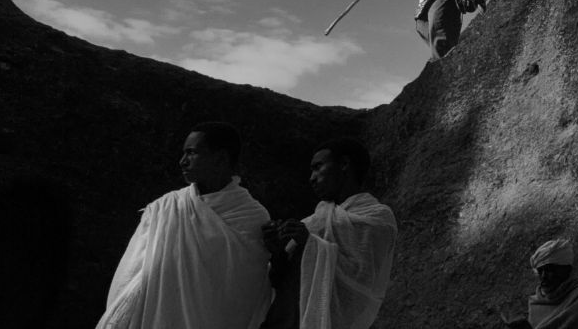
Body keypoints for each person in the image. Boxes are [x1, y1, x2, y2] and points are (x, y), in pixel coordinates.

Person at [97, 121, 272, 329]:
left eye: (192, 153)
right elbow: (132, 275)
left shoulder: (252, 217)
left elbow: (249, 289)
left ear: (220, 159)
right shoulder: (165, 208)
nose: (183, 161)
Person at [261, 138, 397, 329]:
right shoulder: (314, 221)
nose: (312, 178)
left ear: (344, 164)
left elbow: (361, 283)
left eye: (318, 167)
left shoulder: (376, 219)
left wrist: (309, 242)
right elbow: (280, 280)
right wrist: (277, 252)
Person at [498, 238, 578, 329]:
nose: (544, 276)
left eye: (550, 270)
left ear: (567, 269)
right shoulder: (536, 302)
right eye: (540, 271)